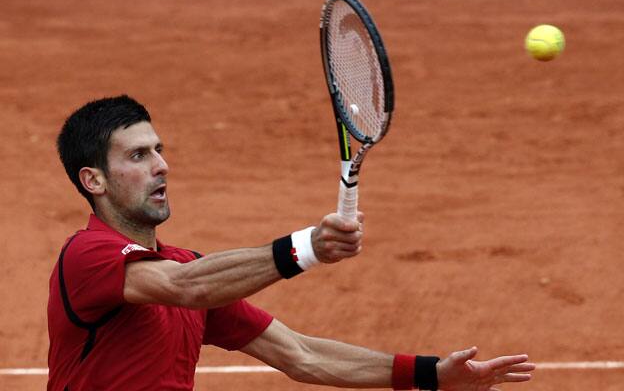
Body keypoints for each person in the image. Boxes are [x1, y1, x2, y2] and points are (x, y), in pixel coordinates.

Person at [48, 95, 535, 391]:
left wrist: (430, 374)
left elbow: (302, 355)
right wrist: (308, 247)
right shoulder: (87, 257)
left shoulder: (186, 269)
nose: (161, 165)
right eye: (138, 155)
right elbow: (185, 286)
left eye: (159, 149)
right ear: (94, 181)